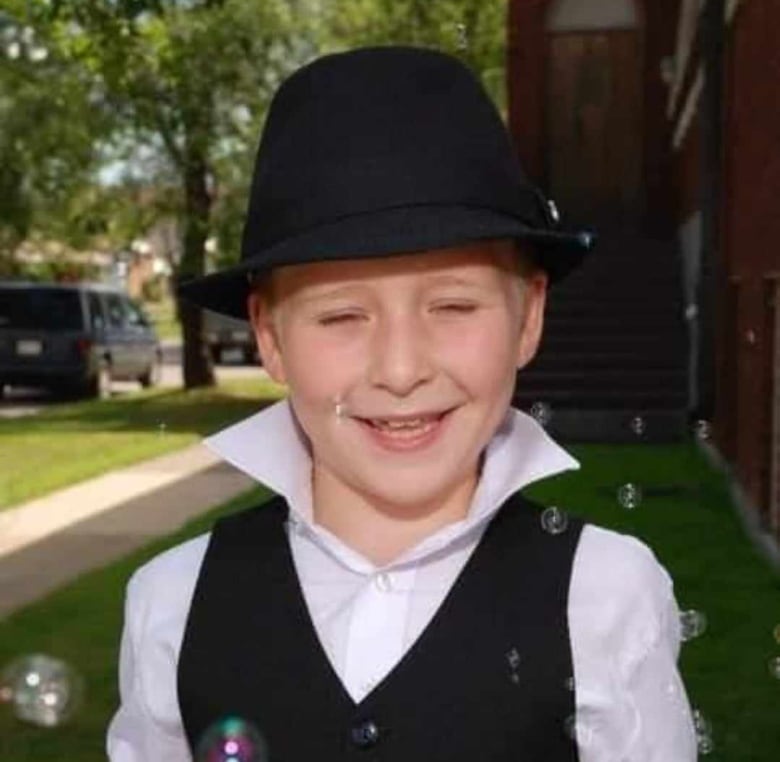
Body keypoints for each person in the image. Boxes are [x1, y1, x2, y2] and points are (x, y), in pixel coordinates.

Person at [107, 46, 697, 761]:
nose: (401, 368)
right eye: (340, 317)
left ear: (529, 317)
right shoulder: (172, 601)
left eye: (452, 305)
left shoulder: (607, 594)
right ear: (269, 335)